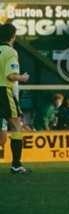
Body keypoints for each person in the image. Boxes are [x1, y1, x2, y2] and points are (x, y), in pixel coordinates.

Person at [0, 23, 31, 174]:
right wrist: (23, 77)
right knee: (16, 126)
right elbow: (10, 76)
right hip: (3, 91)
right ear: (13, 36)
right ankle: (16, 164)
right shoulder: (10, 52)